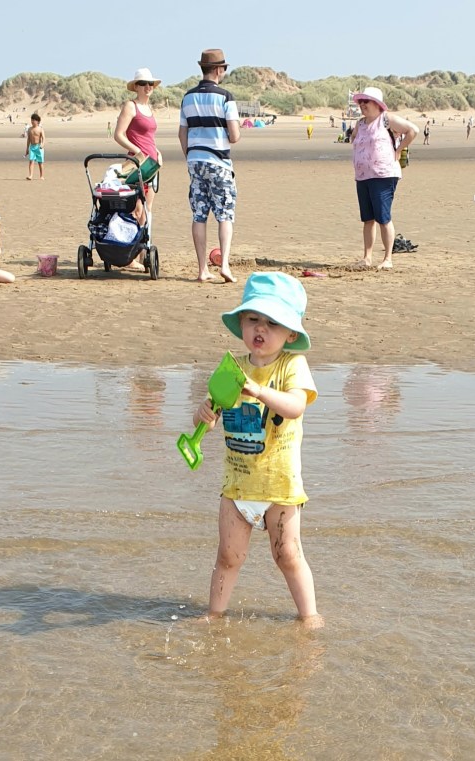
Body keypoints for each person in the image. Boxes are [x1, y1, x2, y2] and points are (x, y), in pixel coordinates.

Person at [193, 271, 323, 628]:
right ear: (241, 324)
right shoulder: (232, 369)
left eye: (272, 322)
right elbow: (211, 413)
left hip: (279, 485)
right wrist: (203, 415)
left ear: (291, 334)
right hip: (237, 485)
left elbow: (296, 406)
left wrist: (260, 391)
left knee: (288, 555)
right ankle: (214, 614)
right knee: (228, 556)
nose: (260, 328)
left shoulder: (291, 365)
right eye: (253, 319)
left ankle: (310, 616)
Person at [179, 48, 241, 283]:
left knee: (199, 214)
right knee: (225, 214)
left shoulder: (188, 97)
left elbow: (182, 133)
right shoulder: (225, 97)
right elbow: (234, 135)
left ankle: (202, 269)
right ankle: (224, 264)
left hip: (196, 160)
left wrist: (190, 155)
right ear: (217, 69)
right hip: (218, 161)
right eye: (223, 68)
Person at [350, 87, 419, 271]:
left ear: (376, 104)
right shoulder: (360, 123)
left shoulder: (387, 119)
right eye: (360, 102)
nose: (362, 105)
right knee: (368, 219)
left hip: (383, 175)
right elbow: (354, 138)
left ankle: (388, 258)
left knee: (383, 217)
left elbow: (413, 130)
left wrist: (398, 150)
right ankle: (367, 258)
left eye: (366, 101)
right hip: (363, 176)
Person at [114, 67, 163, 269]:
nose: (148, 87)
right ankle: (129, 257)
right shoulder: (130, 106)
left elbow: (148, 137)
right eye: (143, 84)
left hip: (151, 165)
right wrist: (137, 151)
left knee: (147, 210)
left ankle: (143, 253)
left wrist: (157, 152)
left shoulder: (149, 109)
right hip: (136, 164)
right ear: (136, 87)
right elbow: (119, 134)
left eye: (150, 84)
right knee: (136, 209)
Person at [25, 113, 45, 180]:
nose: (32, 121)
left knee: (40, 162)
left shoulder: (40, 129)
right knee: (31, 161)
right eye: (32, 120)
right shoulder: (29, 129)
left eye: (34, 120)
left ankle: (41, 176)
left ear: (37, 121)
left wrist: (42, 144)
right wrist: (27, 149)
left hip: (39, 146)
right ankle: (30, 175)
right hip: (32, 147)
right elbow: (28, 139)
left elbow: (44, 138)